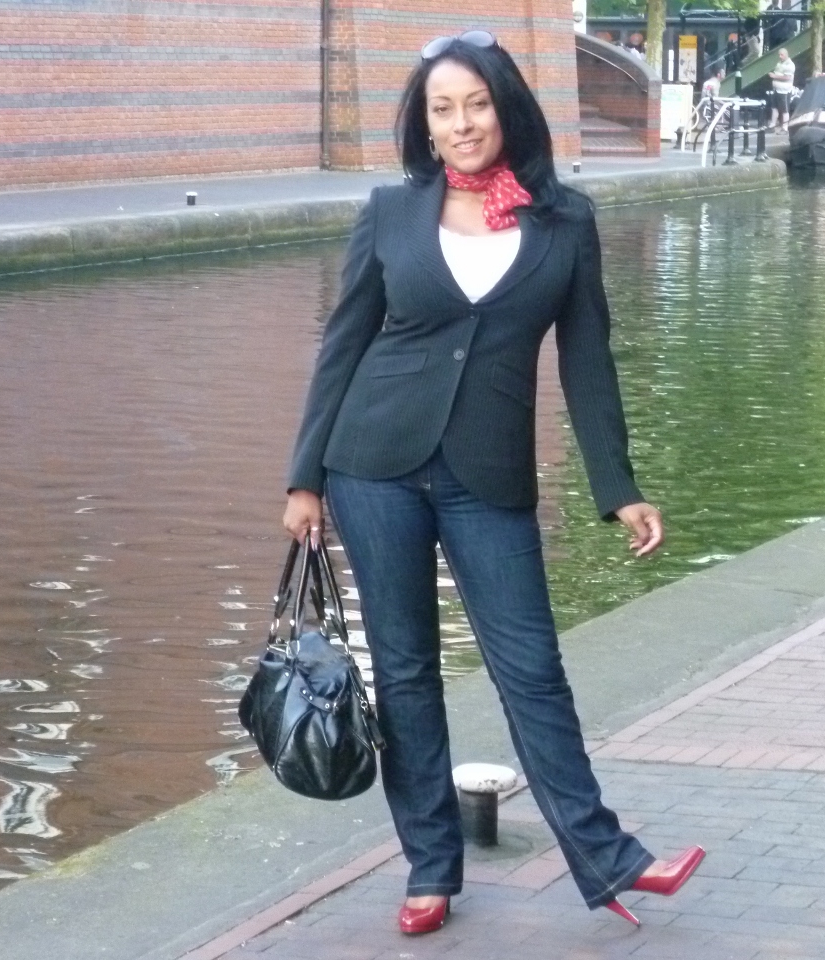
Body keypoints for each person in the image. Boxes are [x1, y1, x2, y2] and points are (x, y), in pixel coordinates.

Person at [282, 29, 705, 937]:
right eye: (443, 109)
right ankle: (430, 869)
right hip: (373, 464)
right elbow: (342, 346)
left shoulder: (566, 221)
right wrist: (303, 478)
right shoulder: (390, 213)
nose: (462, 123)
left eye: (476, 104)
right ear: (425, 125)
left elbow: (588, 360)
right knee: (405, 674)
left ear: (507, 110)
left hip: (488, 475)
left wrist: (618, 486)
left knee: (533, 670)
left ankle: (610, 857)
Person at [768, 48, 795, 130]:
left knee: (784, 109)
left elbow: (787, 77)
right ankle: (773, 123)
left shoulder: (790, 65)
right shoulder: (779, 63)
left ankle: (785, 126)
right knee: (774, 107)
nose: (780, 56)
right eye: (779, 55)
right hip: (776, 89)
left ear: (786, 55)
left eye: (782, 55)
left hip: (784, 91)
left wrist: (774, 76)